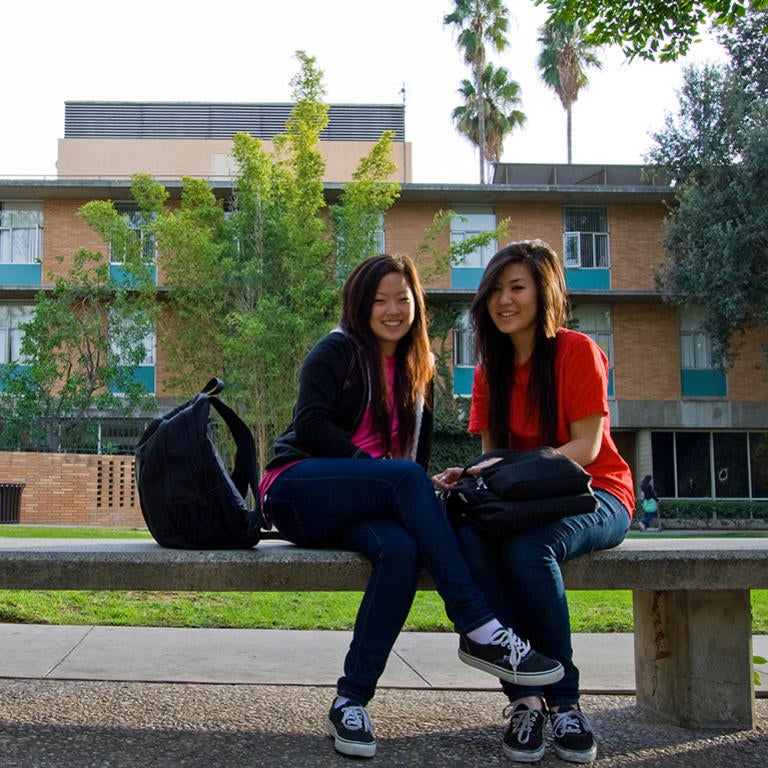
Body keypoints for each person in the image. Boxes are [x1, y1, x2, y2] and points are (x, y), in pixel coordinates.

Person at [258, 253, 564, 760]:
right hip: (297, 490)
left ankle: (350, 700)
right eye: (380, 300)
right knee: (401, 479)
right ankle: (478, 625)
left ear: (416, 304)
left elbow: (408, 466)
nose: (393, 309)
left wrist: (422, 484)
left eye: (403, 298)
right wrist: (379, 472)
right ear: (360, 305)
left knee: (400, 551)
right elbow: (311, 426)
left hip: (366, 508)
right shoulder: (335, 351)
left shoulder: (418, 372)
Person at [434, 240, 634, 764]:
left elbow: (586, 450)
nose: (504, 300)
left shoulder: (576, 351)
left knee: (527, 550)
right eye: (496, 290)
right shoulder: (487, 371)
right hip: (524, 504)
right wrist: (473, 475)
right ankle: (524, 700)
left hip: (595, 493)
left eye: (517, 287)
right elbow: (495, 460)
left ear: (543, 292)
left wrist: (504, 468)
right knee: (470, 535)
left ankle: (565, 703)